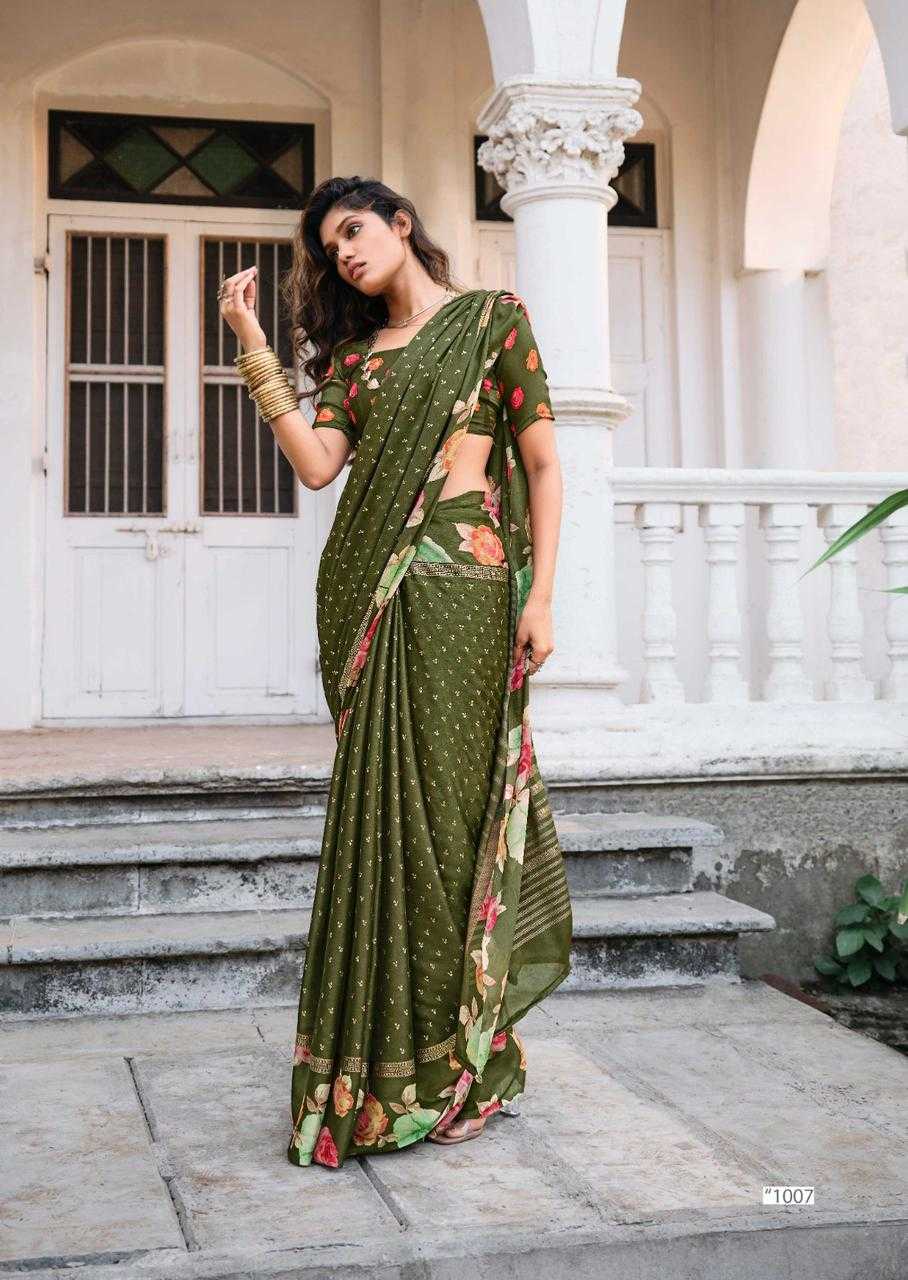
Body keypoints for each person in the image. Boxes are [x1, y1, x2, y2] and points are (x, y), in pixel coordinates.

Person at [219, 176, 572, 1168]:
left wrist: (542, 596)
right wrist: (251, 343)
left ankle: (468, 1060)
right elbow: (317, 465)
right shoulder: (354, 361)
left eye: (354, 231)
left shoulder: (491, 321)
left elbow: (544, 464)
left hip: (467, 594)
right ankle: (387, 1076)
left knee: (452, 828)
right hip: (373, 599)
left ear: (400, 224)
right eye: (330, 247)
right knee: (386, 830)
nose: (343, 253)